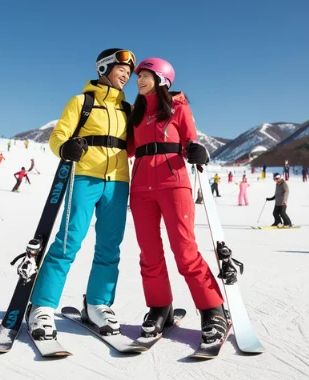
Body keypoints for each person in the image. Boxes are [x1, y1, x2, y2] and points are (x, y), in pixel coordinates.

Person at [28, 48, 135, 340]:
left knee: (110, 246)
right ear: (104, 68)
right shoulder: (82, 102)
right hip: (84, 177)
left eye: (130, 72)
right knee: (68, 240)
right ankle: (42, 306)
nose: (127, 74)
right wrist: (65, 148)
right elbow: (57, 136)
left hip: (117, 182)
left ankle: (97, 303)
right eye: (121, 68)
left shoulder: (128, 110)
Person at [126, 57, 227, 344]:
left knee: (185, 251)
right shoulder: (136, 113)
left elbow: (191, 141)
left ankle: (213, 309)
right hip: (141, 188)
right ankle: (160, 309)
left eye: (145, 76)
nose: (139, 81)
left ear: (162, 80)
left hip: (174, 184)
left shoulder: (178, 106)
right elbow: (127, 150)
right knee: (149, 253)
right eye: (138, 77)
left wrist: (199, 151)